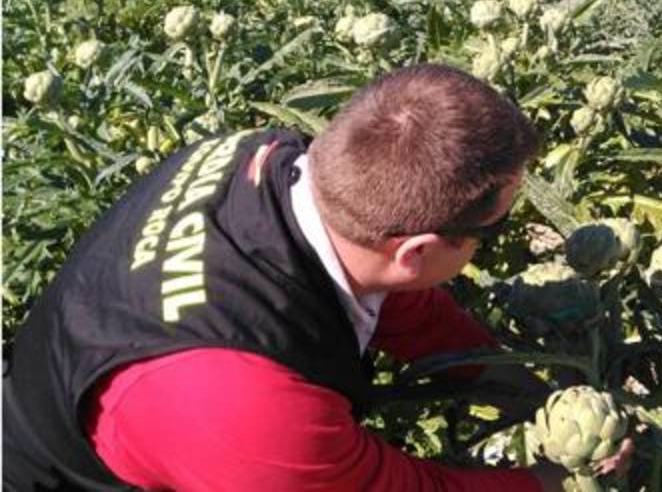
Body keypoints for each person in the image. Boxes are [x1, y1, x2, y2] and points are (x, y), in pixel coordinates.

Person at [3, 64, 581, 491]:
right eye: (496, 229)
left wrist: (525, 390)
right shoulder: (247, 409)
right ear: (417, 249)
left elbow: (397, 297)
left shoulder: (263, 158)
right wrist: (561, 479)